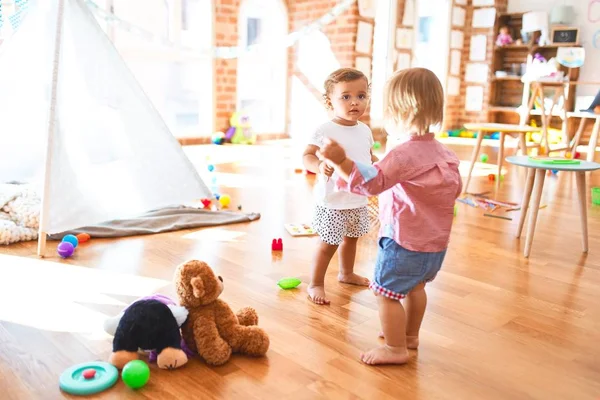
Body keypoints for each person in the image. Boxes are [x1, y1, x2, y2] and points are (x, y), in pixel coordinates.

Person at [318, 68, 462, 365]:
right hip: (434, 244)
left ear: (398, 110)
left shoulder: (403, 154)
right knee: (416, 287)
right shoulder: (444, 153)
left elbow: (371, 183)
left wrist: (341, 161)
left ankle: (395, 348)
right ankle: (410, 337)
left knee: (387, 293)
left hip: (403, 242)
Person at [302, 67, 378, 305]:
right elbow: (307, 156)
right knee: (328, 244)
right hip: (333, 201)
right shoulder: (325, 130)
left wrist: (378, 167)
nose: (354, 102)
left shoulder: (365, 130)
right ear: (329, 101)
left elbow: (368, 157)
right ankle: (315, 283)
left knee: (352, 238)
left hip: (357, 198)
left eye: (361, 96)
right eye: (346, 96)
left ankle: (346, 273)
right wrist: (320, 164)